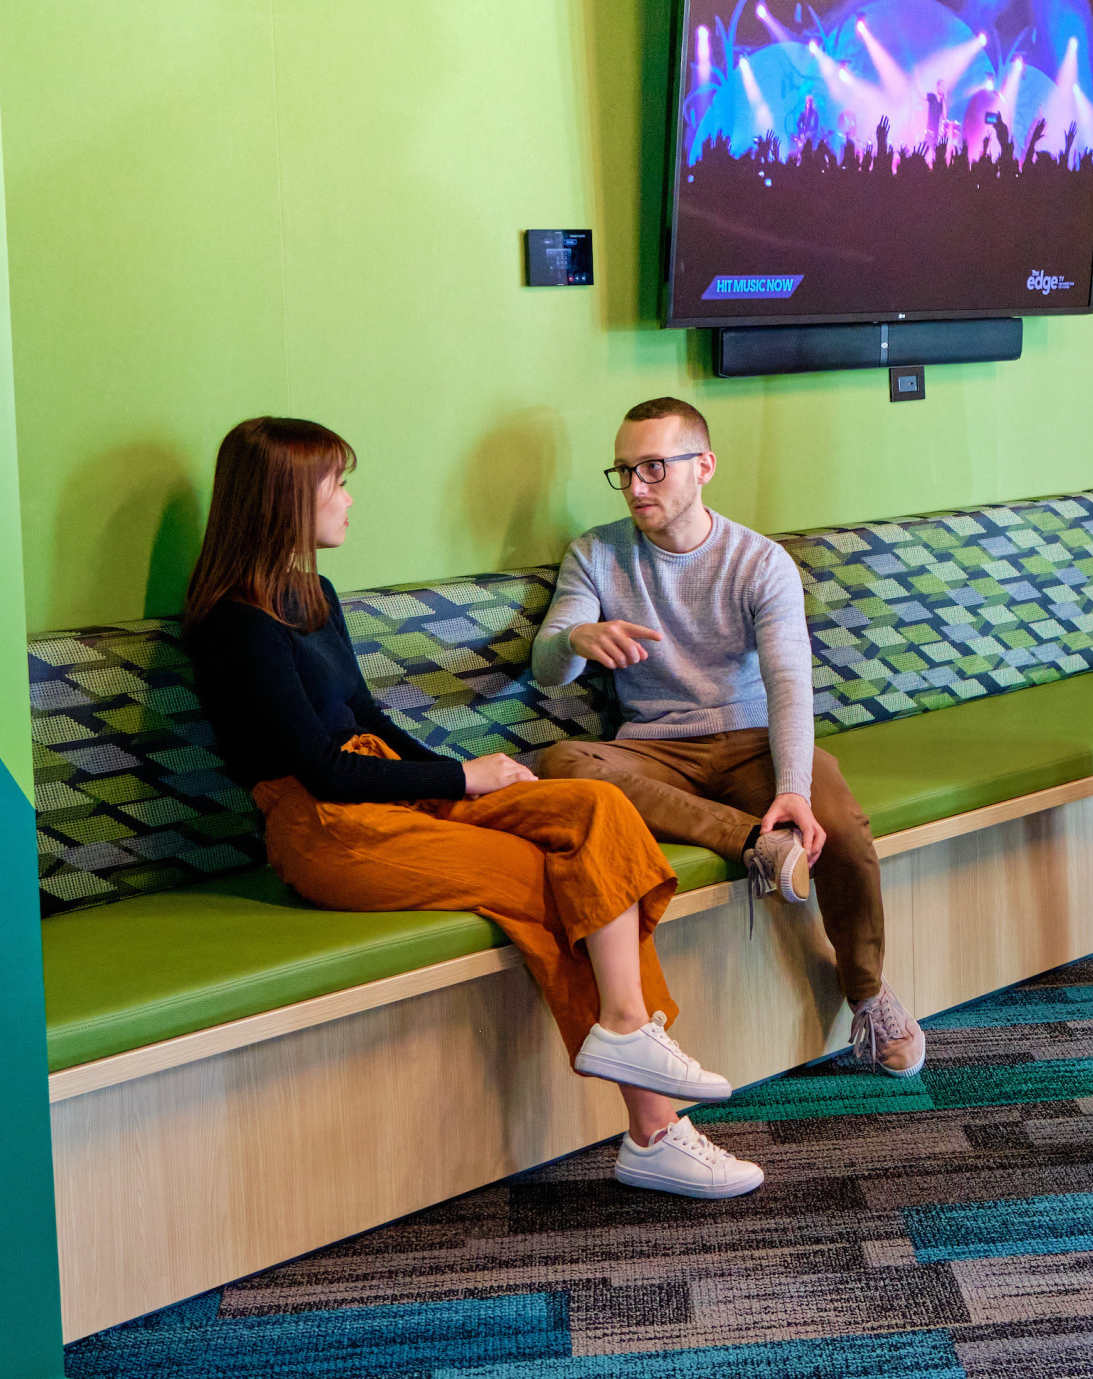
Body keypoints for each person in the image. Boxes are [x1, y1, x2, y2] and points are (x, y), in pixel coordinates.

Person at [183, 417, 762, 1200]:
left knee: (594, 810)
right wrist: (462, 779)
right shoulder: (235, 621)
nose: (349, 501)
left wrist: (466, 773)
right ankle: (655, 1130)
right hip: (325, 827)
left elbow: (366, 720)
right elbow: (322, 771)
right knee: (544, 875)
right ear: (286, 500)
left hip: (387, 786)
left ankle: (628, 1026)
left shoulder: (312, 593)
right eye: (336, 485)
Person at [532, 397, 926, 1076]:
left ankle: (866, 990)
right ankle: (755, 845)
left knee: (841, 826)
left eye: (654, 467)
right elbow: (546, 667)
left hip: (752, 739)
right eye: (623, 471)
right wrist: (576, 638)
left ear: (704, 466)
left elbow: (788, 683)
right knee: (563, 762)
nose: (636, 487)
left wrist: (794, 790)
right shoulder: (596, 554)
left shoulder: (759, 562)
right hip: (656, 750)